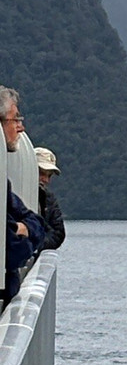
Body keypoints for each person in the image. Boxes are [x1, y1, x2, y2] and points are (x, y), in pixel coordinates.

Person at [1, 86, 45, 303]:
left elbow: (39, 224)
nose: (21, 127)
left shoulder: (3, 184)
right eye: (14, 120)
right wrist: (21, 231)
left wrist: (22, 228)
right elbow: (14, 250)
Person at [35, 146, 66, 250]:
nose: (46, 180)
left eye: (49, 176)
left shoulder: (49, 198)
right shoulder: (12, 194)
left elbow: (59, 233)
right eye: (42, 173)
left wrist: (35, 244)